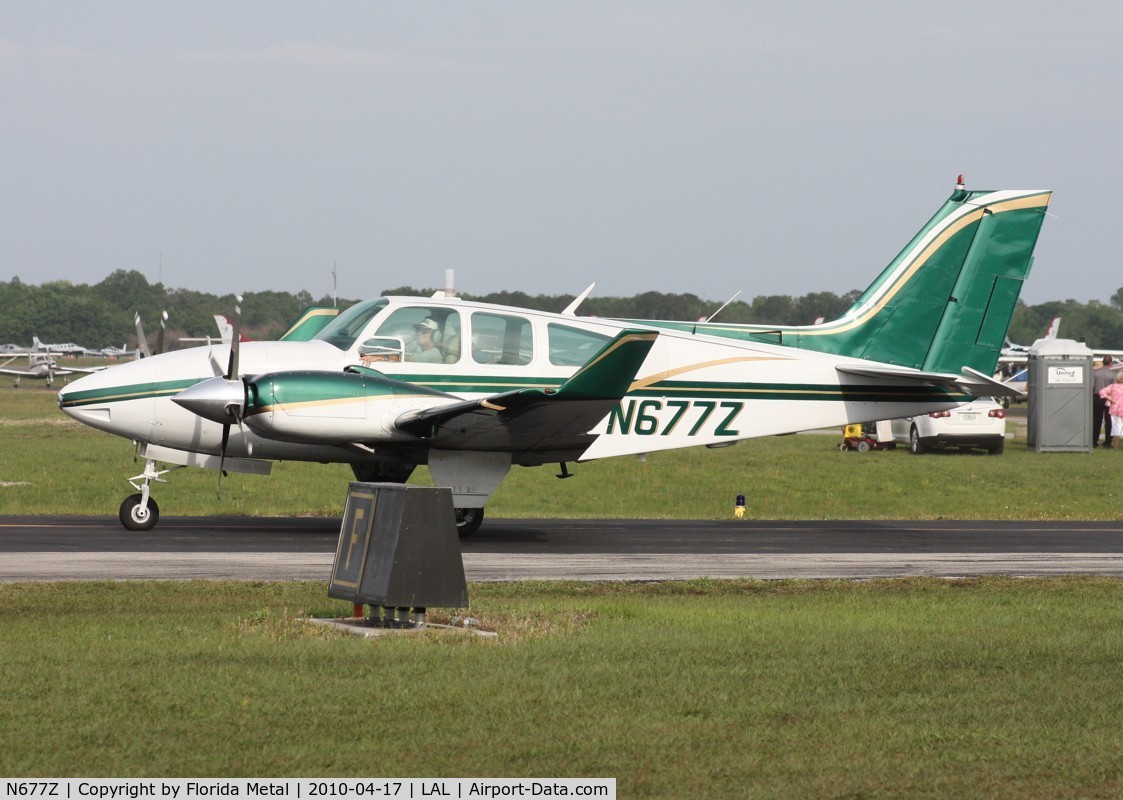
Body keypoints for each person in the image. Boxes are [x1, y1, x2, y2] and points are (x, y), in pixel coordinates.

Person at [1093, 355, 1115, 447]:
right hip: (1109, 398)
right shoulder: (1113, 374)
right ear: (1111, 363)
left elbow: (1092, 386)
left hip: (1097, 397)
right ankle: (1108, 441)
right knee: (1108, 420)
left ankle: (1094, 441)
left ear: (1103, 362)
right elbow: (1114, 388)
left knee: (1097, 420)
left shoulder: (1095, 373)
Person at [1098, 370, 1123, 450]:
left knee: (1116, 428)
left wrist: (1110, 399)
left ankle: (1116, 446)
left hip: (1115, 409)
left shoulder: (1113, 386)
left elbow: (1101, 392)